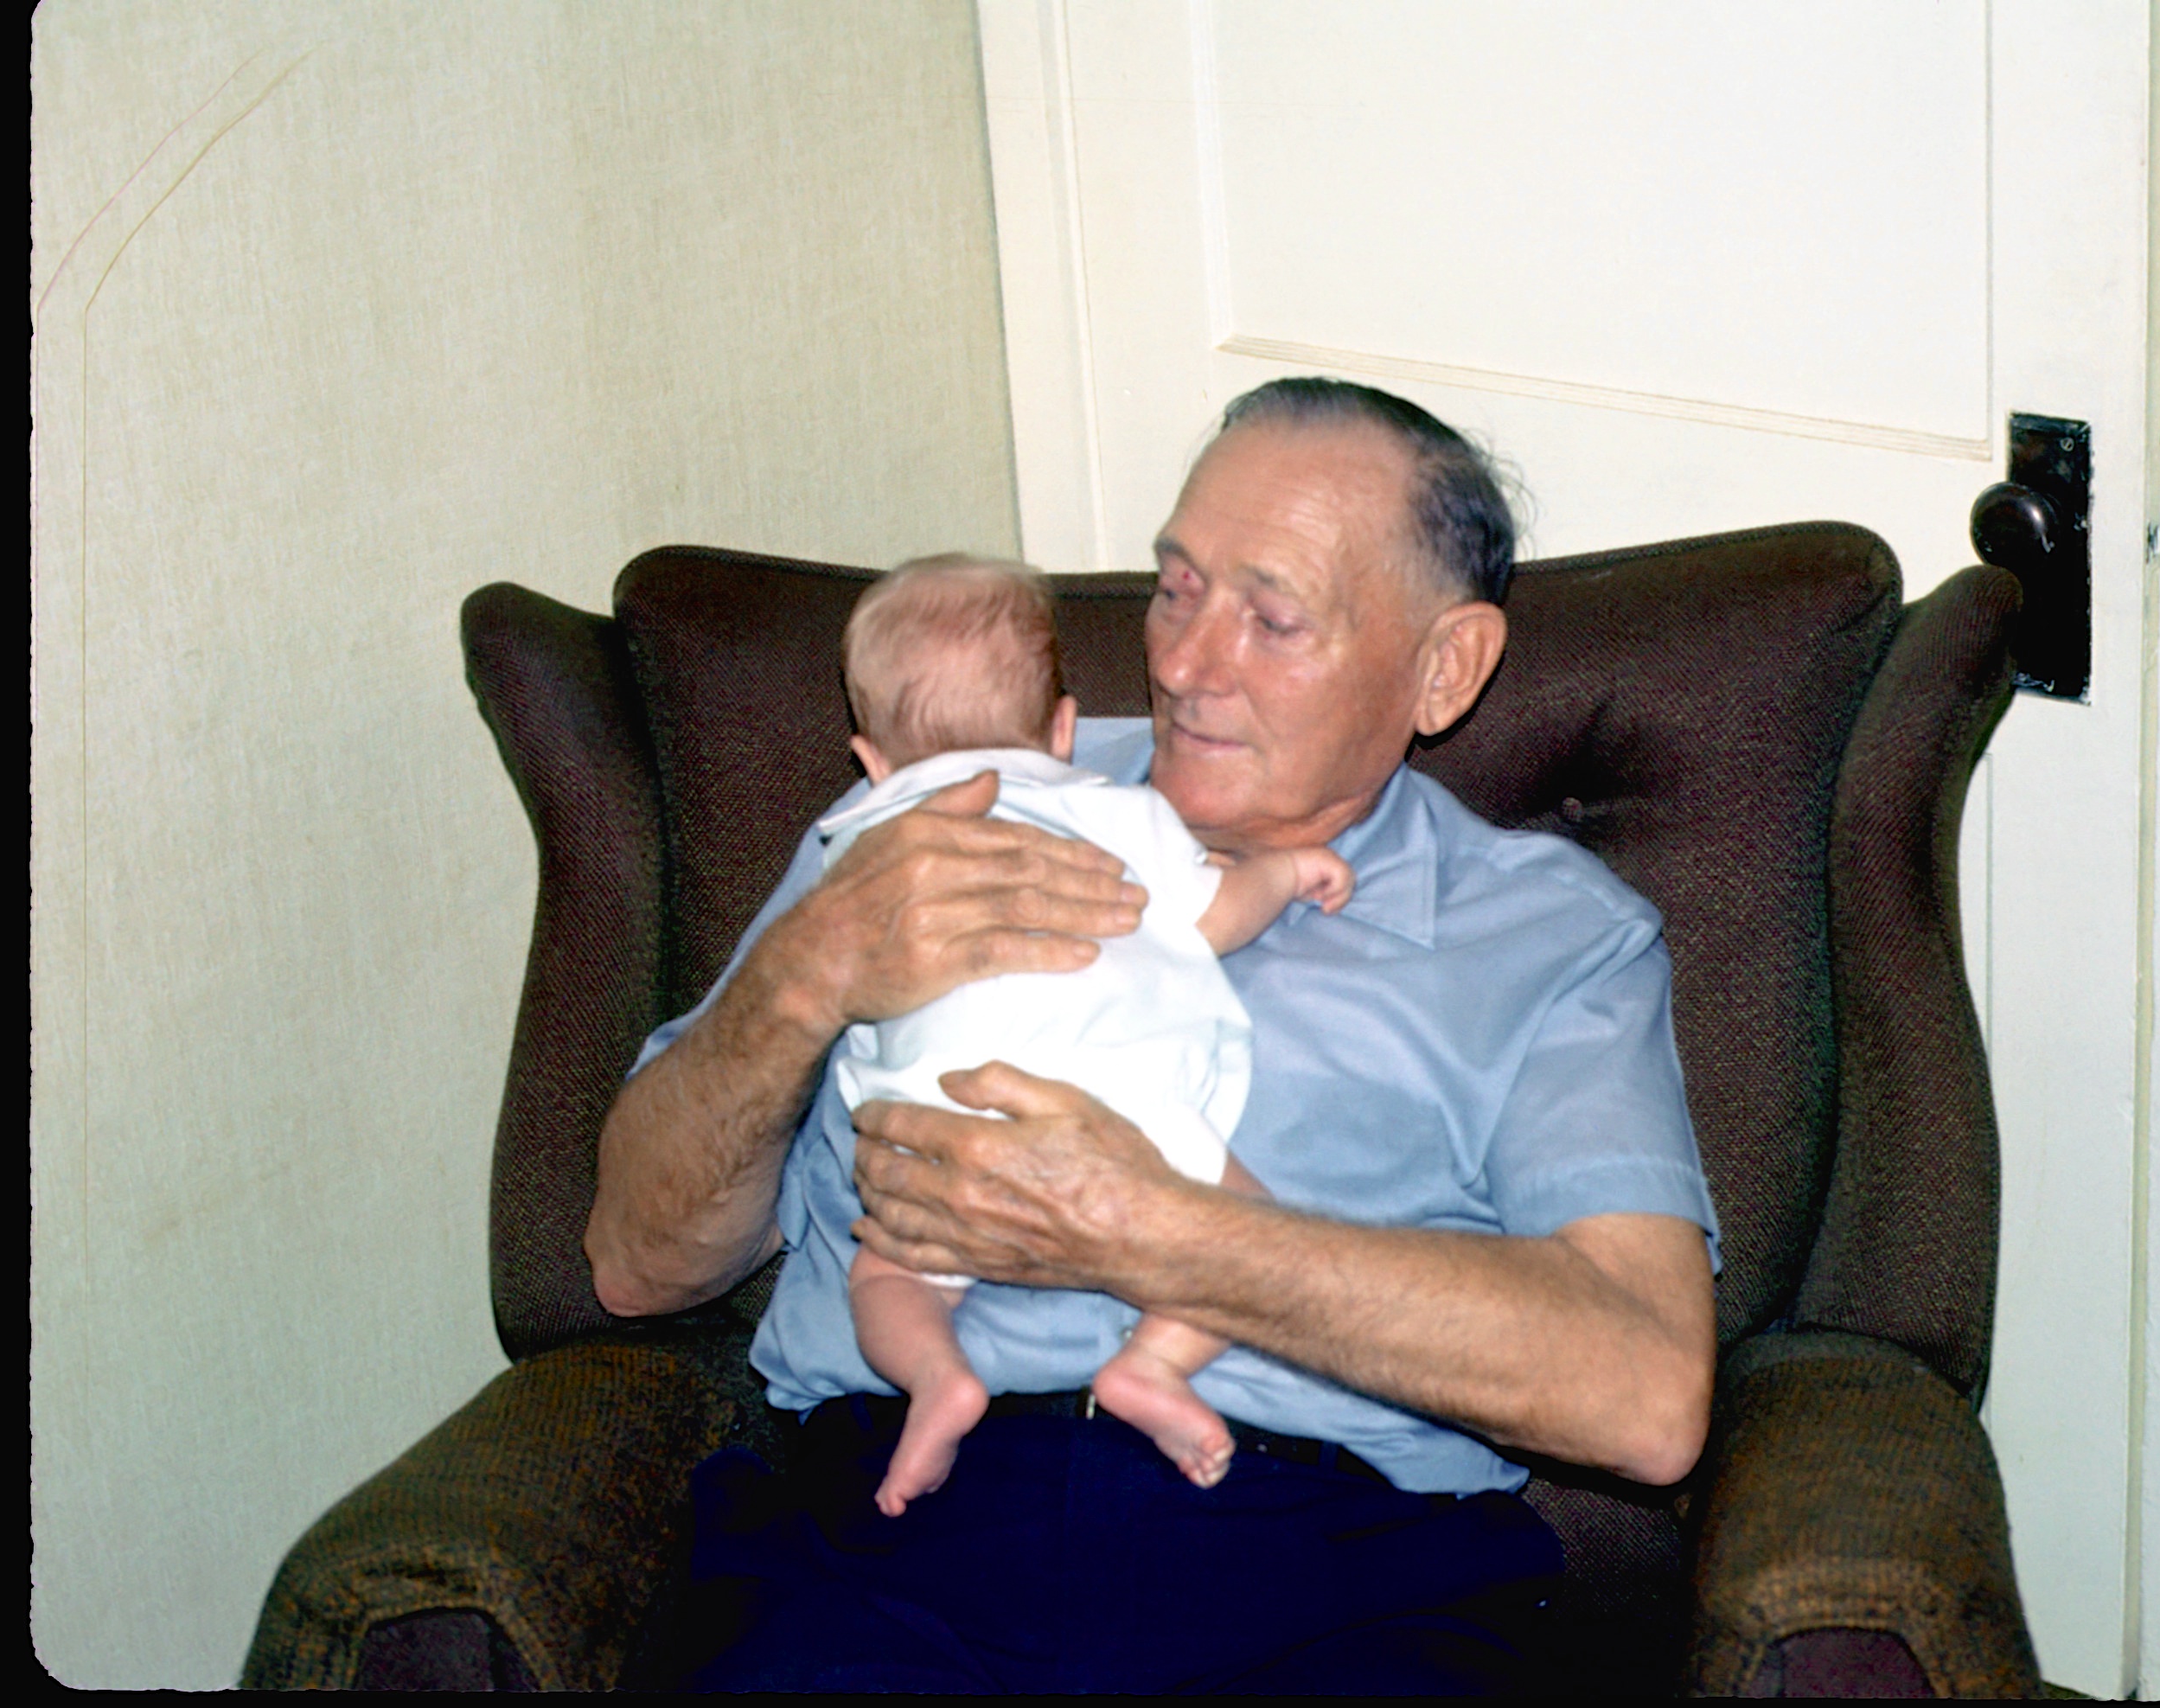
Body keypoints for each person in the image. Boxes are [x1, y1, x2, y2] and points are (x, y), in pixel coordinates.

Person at [586, 378, 1722, 1692]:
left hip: (1335, 1578)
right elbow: (634, 1263)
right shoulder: (942, 805)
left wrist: (1147, 1229)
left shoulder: (1549, 936)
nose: (1182, 665)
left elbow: (1646, 1398)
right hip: (893, 1535)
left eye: (1271, 619)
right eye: (1175, 589)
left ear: (1445, 666)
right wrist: (801, 978)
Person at [821, 553, 1352, 1515]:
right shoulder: (1111, 810)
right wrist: (1280, 872)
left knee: (888, 1272)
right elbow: (1211, 916)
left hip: (931, 1124)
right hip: (1121, 1105)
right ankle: (1152, 1365)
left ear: (872, 762)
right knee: (1245, 1234)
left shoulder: (861, 848)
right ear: (1063, 728)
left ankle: (938, 1379)